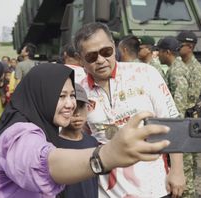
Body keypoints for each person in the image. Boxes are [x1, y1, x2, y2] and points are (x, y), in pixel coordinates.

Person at [0, 63, 171, 198]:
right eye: (61, 96)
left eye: (72, 95)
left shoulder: (40, 129)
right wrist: (105, 156)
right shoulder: (20, 133)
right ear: (41, 96)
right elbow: (41, 163)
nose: (70, 104)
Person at [74, 22, 185, 198]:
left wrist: (177, 170)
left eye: (106, 52)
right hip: (106, 190)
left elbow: (171, 122)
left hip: (153, 186)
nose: (101, 60)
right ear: (81, 59)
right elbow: (81, 137)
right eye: (92, 56)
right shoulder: (78, 92)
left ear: (114, 47)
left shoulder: (145, 73)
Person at [157, 36, 194, 197]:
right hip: (183, 126)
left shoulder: (176, 71)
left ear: (167, 52)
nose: (157, 55)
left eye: (159, 51)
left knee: (183, 171)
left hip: (179, 130)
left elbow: (176, 111)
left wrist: (174, 137)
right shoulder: (178, 67)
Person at [177, 31, 201, 196]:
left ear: (189, 47)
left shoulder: (196, 69)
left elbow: (191, 99)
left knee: (188, 160)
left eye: (179, 45)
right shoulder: (180, 64)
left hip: (190, 120)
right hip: (185, 120)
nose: (176, 47)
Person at [57, 84, 98, 198]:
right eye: (72, 108)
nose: (77, 113)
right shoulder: (53, 146)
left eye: (81, 106)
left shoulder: (92, 142)